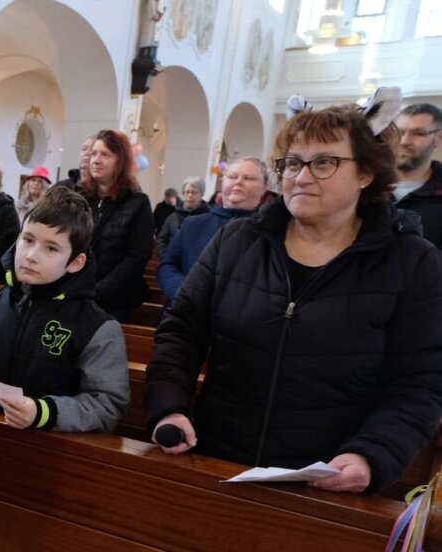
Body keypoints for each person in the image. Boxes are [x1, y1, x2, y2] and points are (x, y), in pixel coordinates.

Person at [144, 92, 442, 494]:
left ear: (366, 173)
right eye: (292, 163)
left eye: (324, 163)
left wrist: (372, 454)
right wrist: (170, 408)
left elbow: (420, 381)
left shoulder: (411, 261)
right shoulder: (238, 240)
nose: (301, 177)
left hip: (329, 479)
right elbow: (181, 330)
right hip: (217, 462)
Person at [0, 186, 130, 431]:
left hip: (48, 455)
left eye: (51, 248)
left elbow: (107, 404)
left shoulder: (96, 328)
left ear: (75, 263)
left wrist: (44, 412)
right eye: (28, 239)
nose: (31, 255)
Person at [156, 158, 268, 304]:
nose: (238, 182)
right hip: (184, 311)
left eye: (248, 178)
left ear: (264, 187)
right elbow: (167, 264)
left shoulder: (268, 231)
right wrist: (181, 293)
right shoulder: (193, 224)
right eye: (232, 177)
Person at [82, 129, 153, 322]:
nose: (96, 160)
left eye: (105, 154)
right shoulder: (80, 198)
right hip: (76, 294)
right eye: (94, 153)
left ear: (120, 161)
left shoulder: (137, 203)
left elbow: (136, 258)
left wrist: (95, 292)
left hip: (115, 301)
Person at [394, 103, 442, 247]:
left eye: (418, 133)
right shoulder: (365, 185)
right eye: (400, 132)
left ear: (438, 138)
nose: (404, 141)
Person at [155, 177, 209, 252]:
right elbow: (161, 239)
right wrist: (165, 257)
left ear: (202, 194)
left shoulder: (209, 217)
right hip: (173, 261)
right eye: (187, 192)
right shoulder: (173, 217)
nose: (190, 195)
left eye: (194, 192)